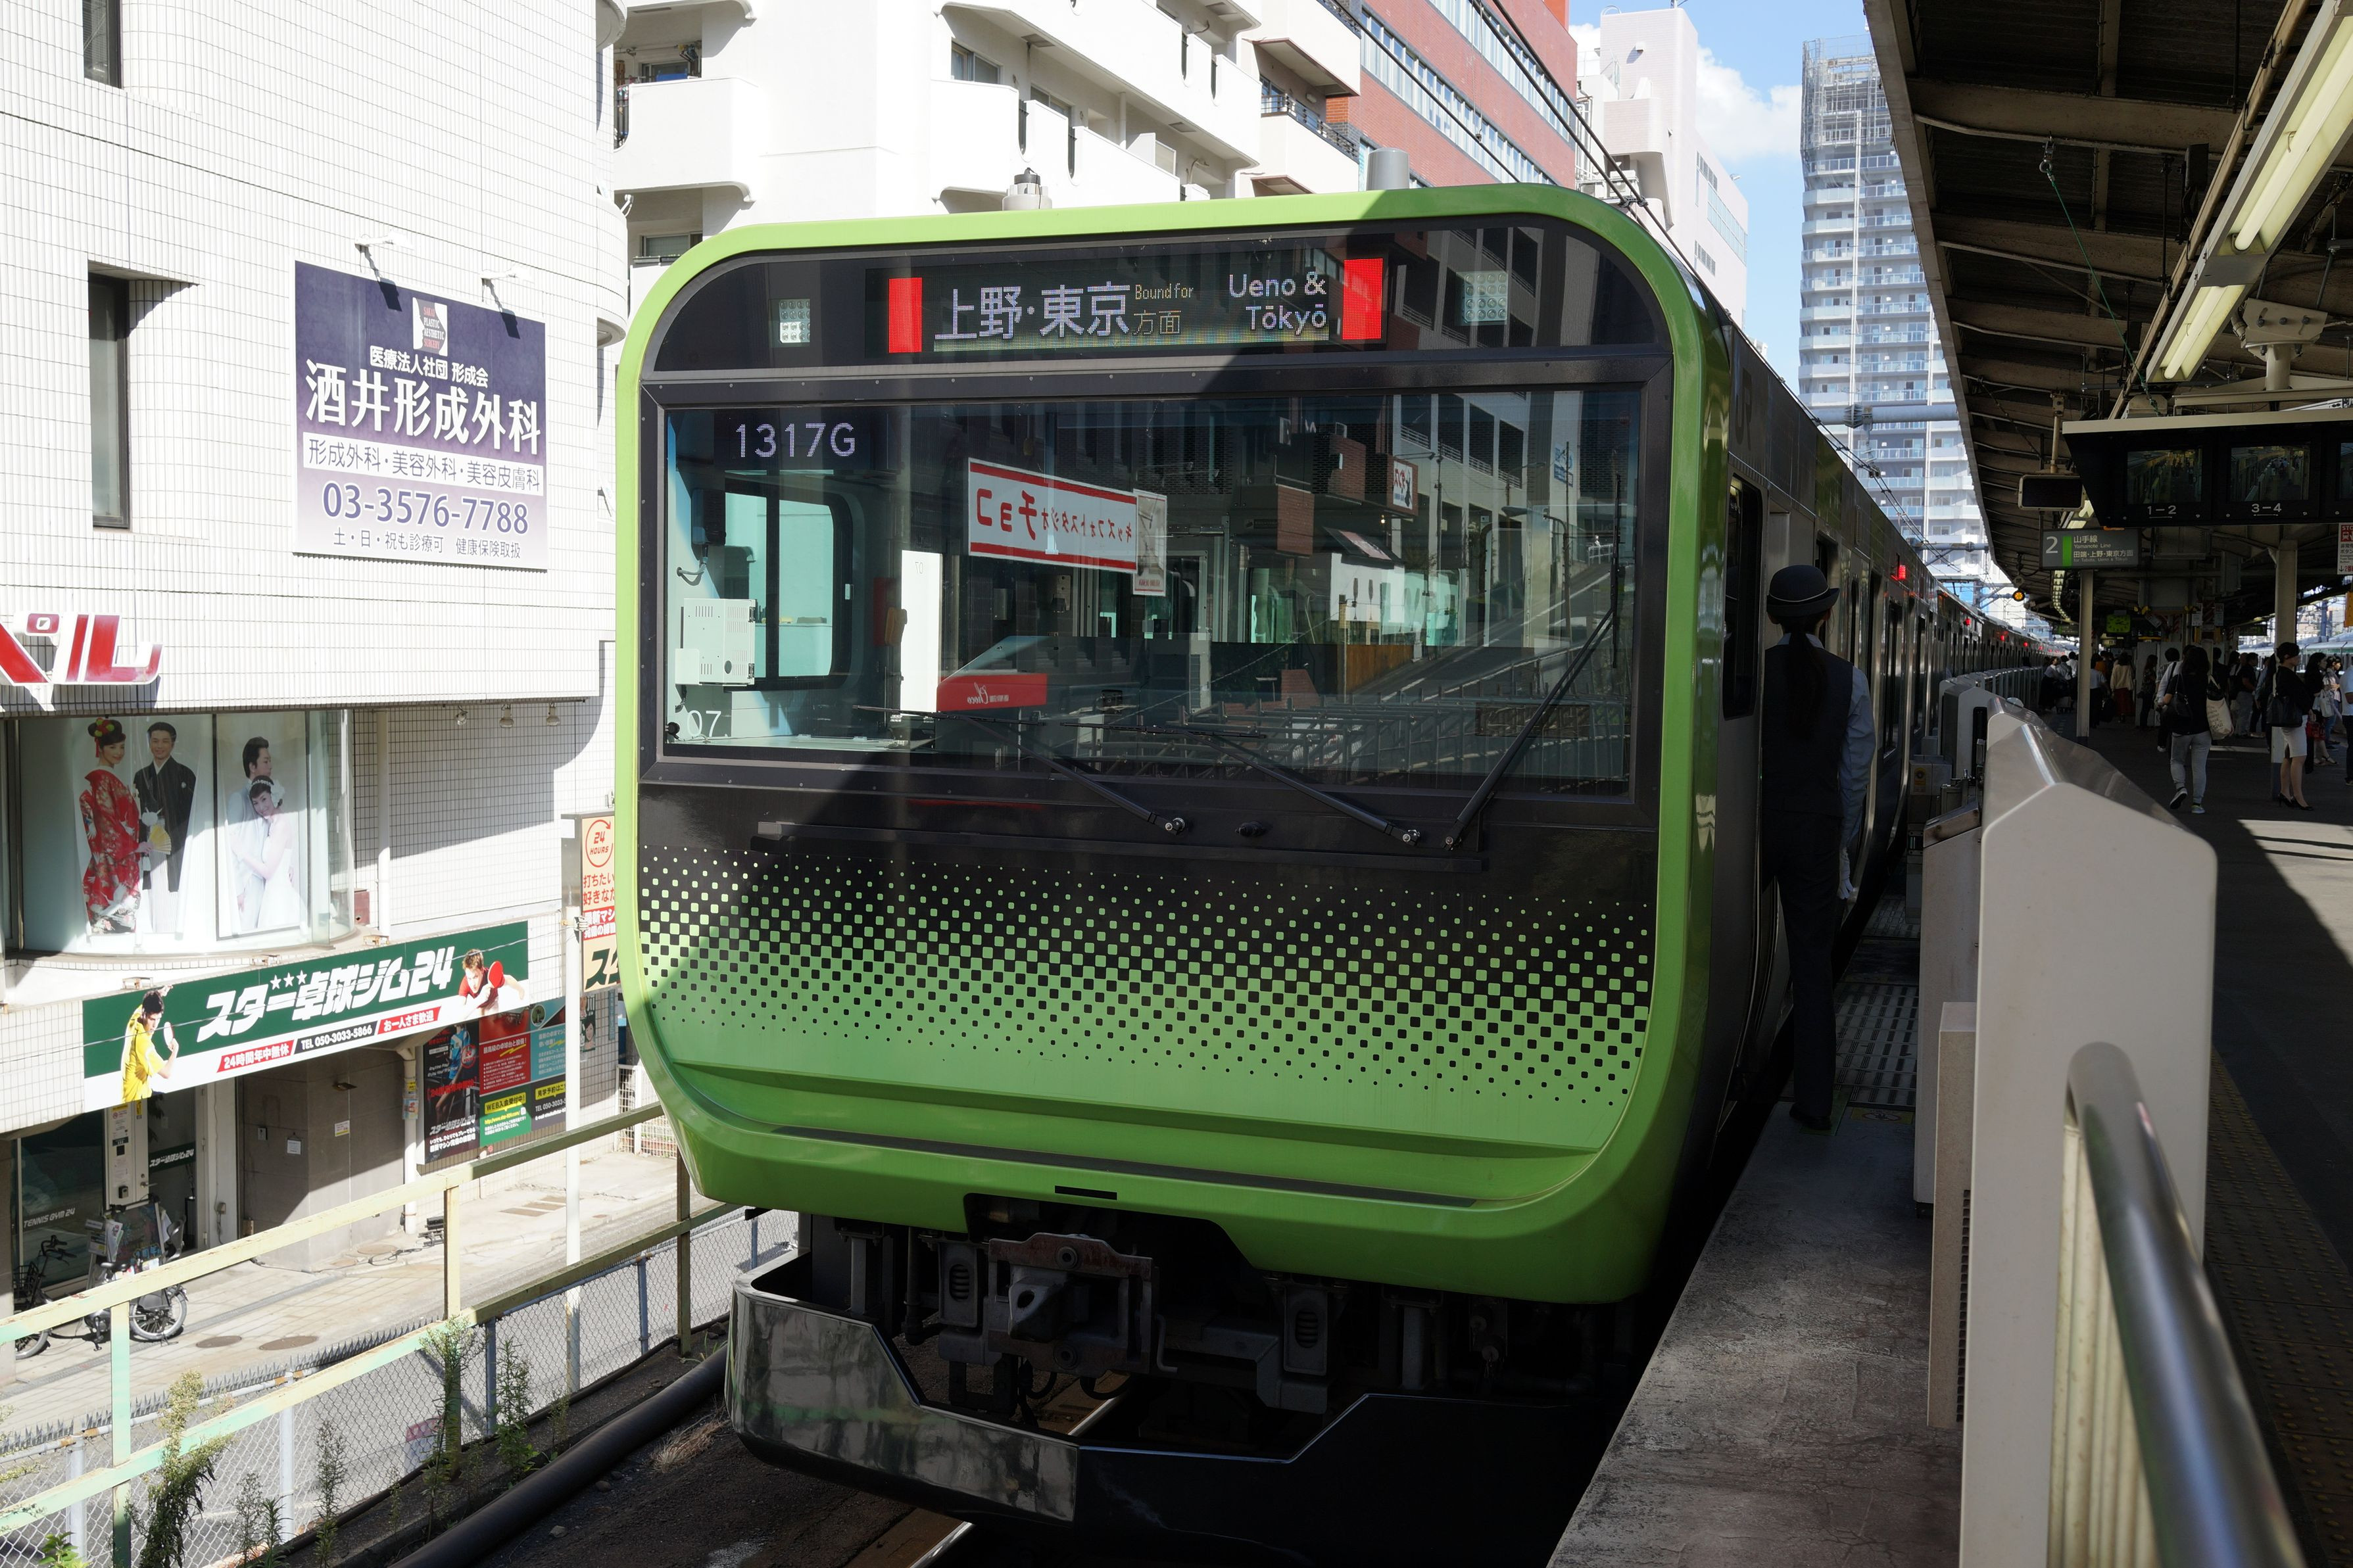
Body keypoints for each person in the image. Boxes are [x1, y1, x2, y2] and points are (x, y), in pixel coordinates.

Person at [1759, 565, 1871, 1134]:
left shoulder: (1752, 673)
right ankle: (1815, 1103)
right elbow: (1855, 774)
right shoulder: (1851, 681)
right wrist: (1840, 839)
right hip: (1817, 831)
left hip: (1754, 828)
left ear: (1773, 618)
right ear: (1827, 615)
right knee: (1811, 965)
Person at [132, 720, 197, 935]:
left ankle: (173, 931)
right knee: (151, 885)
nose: (159, 746)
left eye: (165, 741)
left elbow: (190, 814)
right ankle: (152, 931)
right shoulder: (141, 775)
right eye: (155, 741)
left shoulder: (184, 774)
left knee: (172, 885)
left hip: (174, 842)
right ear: (149, 743)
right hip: (148, 841)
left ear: (173, 744)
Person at [79, 718, 142, 934]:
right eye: (113, 747)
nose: (119, 752)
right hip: (116, 854)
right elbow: (106, 819)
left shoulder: (109, 777)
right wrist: (133, 845)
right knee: (117, 904)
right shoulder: (102, 778)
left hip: (119, 851)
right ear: (100, 748)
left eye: (122, 747)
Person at [228, 778, 303, 932]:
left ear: (274, 796)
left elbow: (268, 872)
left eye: (264, 799)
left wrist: (242, 852)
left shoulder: (280, 825)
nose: (261, 807)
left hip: (279, 897)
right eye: (256, 803)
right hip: (271, 893)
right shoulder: (273, 823)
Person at [2160, 646, 2221, 814]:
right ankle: (2197, 804)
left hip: (2181, 727)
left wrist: (2161, 704)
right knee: (2199, 767)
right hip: (2203, 729)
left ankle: (2181, 788)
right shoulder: (2209, 680)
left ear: (2186, 662)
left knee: (2177, 761)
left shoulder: (2178, 679)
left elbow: (2166, 700)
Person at [2268, 642, 2314, 809]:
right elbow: (2298, 696)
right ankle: (2298, 797)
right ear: (2287, 657)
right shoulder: (2287, 675)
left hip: (2292, 721)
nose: (2299, 658)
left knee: (2289, 757)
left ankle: (2285, 792)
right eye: (2296, 655)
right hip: (2295, 722)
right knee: (2300, 758)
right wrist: (2309, 709)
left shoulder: (2282, 673)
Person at [119, 988, 181, 1103]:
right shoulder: (144, 1044)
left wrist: (159, 994)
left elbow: (146, 1002)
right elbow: (167, 1073)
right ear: (145, 1015)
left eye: (158, 1019)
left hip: (145, 1091)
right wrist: (175, 1050)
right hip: (136, 1101)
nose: (155, 1025)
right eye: (152, 1019)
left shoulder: (135, 1019)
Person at [2137, 653, 2161, 729]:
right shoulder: (2149, 671)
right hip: (2148, 692)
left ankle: (2143, 725)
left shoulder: (2147, 670)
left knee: (2145, 708)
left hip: (2146, 691)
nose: (2156, 663)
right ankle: (2143, 725)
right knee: (2146, 709)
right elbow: (2155, 680)